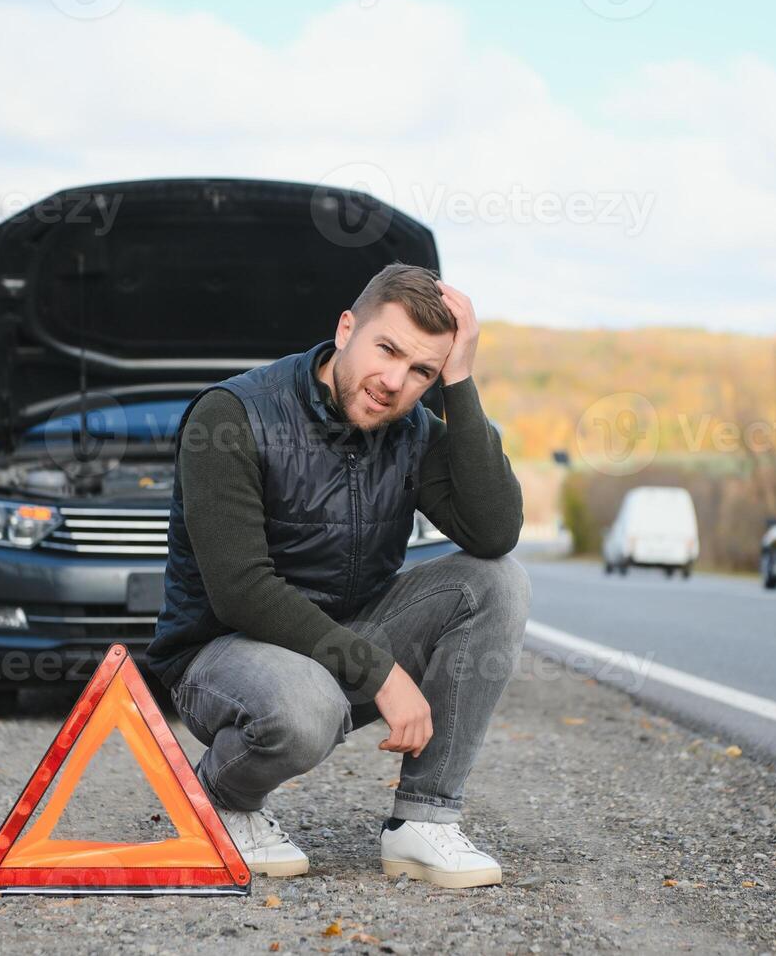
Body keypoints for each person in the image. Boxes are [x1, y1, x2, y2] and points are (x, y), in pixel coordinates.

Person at [147, 262, 530, 888]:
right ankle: (218, 801)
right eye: (387, 350)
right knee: (305, 709)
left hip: (342, 638)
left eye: (421, 372)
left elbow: (494, 533)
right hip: (225, 654)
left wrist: (459, 382)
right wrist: (379, 671)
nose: (394, 382)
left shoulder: (411, 430)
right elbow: (241, 590)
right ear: (346, 328)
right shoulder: (231, 416)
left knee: (497, 581)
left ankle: (423, 823)